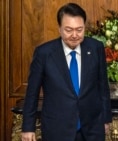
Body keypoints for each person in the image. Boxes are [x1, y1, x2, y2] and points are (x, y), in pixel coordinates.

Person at [21, 3, 112, 141]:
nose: (75, 35)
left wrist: (106, 119)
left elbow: (103, 87)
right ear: (59, 29)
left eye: (79, 30)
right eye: (68, 30)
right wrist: (28, 127)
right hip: (57, 129)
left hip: (91, 129)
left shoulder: (95, 48)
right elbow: (32, 93)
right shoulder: (44, 53)